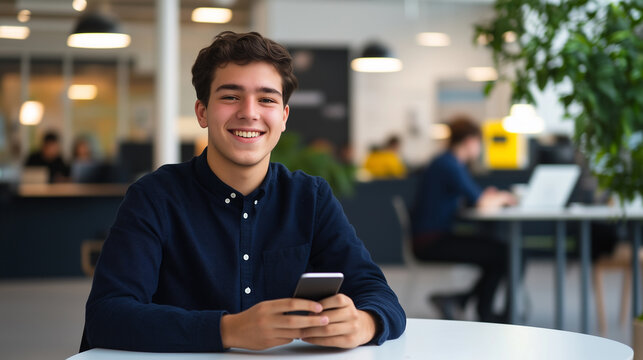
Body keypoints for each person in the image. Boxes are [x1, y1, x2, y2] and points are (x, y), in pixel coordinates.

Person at [80, 31, 405, 353]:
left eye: (266, 99)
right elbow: (107, 316)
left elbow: (377, 293)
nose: (249, 112)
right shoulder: (154, 197)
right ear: (202, 112)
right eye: (230, 96)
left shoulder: (311, 196)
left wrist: (364, 322)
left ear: (283, 117)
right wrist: (228, 330)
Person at [410, 116, 516, 323]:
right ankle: (481, 311)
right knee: (504, 254)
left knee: (500, 252)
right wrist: (503, 197)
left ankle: (461, 301)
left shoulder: (445, 162)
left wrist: (486, 198)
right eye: (479, 142)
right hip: (431, 242)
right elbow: (480, 201)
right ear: (469, 141)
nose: (480, 148)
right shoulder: (449, 164)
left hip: (432, 237)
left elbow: (474, 198)